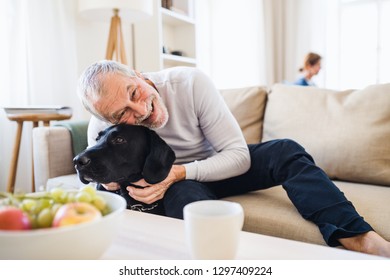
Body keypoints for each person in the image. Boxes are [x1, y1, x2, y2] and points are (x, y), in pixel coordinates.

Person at [77, 60, 390, 258]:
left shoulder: (189, 83)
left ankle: (357, 237)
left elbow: (239, 157)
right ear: (107, 119)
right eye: (122, 115)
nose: (141, 111)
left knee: (284, 150)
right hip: (176, 187)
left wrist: (179, 172)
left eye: (135, 93)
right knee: (192, 207)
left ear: (137, 73)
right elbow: (106, 183)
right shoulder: (100, 127)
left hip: (218, 166)